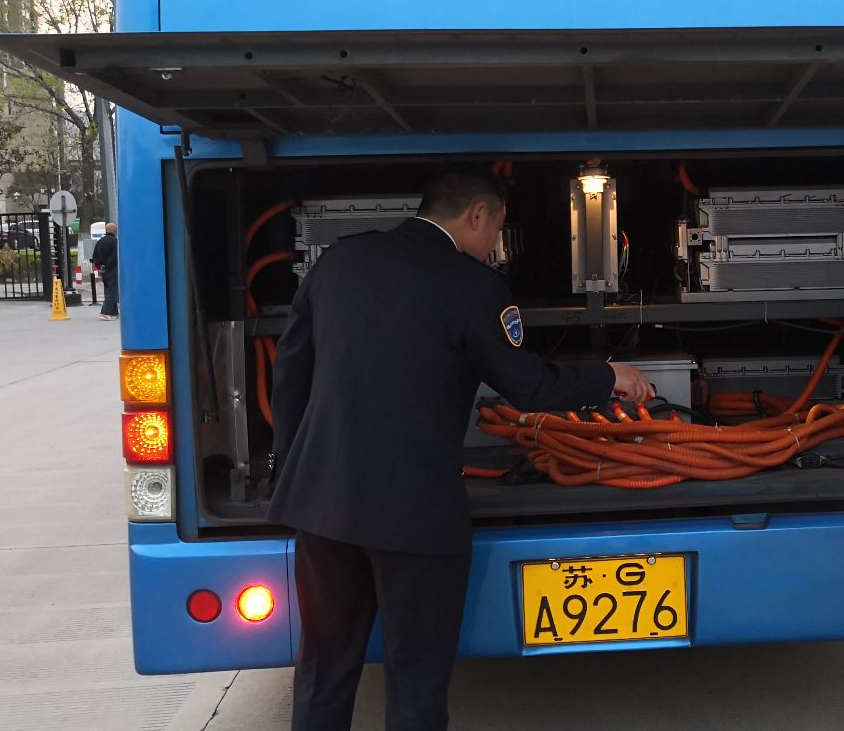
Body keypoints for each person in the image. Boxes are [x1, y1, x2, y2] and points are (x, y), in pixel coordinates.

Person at [268, 163, 652, 731]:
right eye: (495, 228)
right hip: (414, 514)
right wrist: (608, 375)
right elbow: (528, 387)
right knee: (415, 679)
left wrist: (293, 472)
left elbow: (290, 370)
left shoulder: (341, 260)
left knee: (323, 668)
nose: (494, 244)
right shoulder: (473, 286)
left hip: (322, 507)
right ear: (477, 215)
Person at [90, 223, 119, 320]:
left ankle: (114, 312)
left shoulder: (100, 241)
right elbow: (115, 257)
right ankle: (105, 313)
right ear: (115, 231)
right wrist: (107, 266)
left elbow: (95, 257)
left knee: (108, 290)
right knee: (113, 291)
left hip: (102, 270)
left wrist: (100, 267)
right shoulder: (115, 242)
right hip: (112, 269)